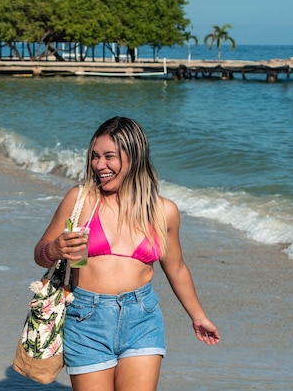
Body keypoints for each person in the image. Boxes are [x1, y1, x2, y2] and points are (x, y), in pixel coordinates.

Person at [34, 116, 219, 391]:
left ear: (134, 157)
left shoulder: (163, 211)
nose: (99, 165)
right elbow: (40, 254)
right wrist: (55, 248)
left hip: (142, 316)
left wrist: (198, 315)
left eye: (109, 156)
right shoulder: (81, 199)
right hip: (86, 318)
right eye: (95, 156)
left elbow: (176, 268)